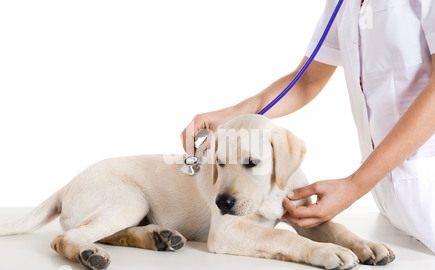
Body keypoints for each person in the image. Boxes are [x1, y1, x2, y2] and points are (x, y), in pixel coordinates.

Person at [180, 0, 435, 253]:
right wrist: (231, 117)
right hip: (393, 206)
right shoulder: (343, 4)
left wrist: (355, 185)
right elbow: (306, 82)